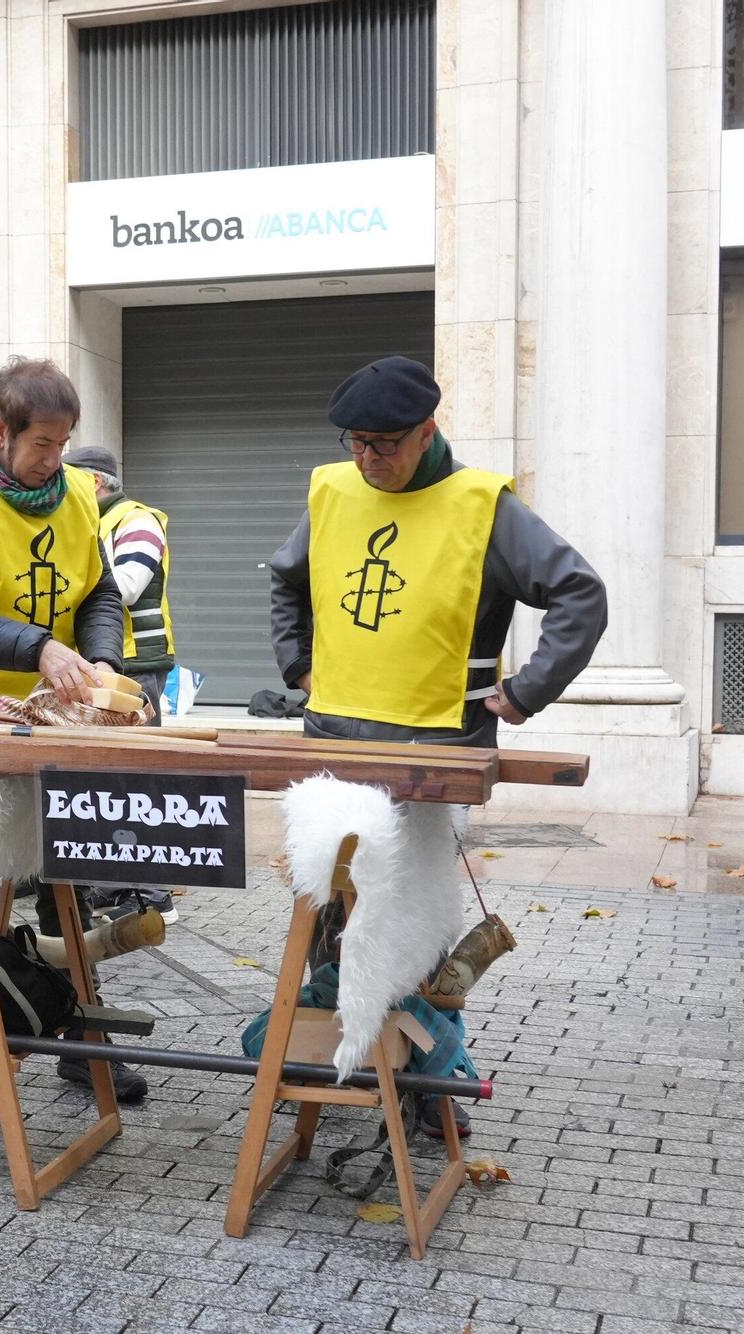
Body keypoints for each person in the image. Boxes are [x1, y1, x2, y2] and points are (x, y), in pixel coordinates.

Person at [268, 354, 607, 1137]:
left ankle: (423, 1080)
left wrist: (524, 692)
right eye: (356, 442)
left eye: (384, 444)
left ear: (428, 431)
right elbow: (287, 580)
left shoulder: (483, 505)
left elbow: (578, 593)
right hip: (337, 740)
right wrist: (299, 665)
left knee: (410, 918)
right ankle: (337, 1055)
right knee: (331, 908)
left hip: (434, 743)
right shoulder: (331, 490)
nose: (367, 459)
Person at [0, 356, 145, 1105]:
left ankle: (84, 1042)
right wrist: (37, 647)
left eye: (65, 441)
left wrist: (100, 661)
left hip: (54, 712)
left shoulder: (77, 491)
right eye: (43, 442)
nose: (56, 457)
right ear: (1, 432)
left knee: (62, 872)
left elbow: (100, 588)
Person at [67, 444, 179, 926]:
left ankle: (154, 895)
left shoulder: (136, 520)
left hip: (134, 666)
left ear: (93, 483)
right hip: (104, 666)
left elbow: (126, 585)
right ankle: (112, 887)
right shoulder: (92, 522)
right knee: (102, 778)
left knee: (137, 778)